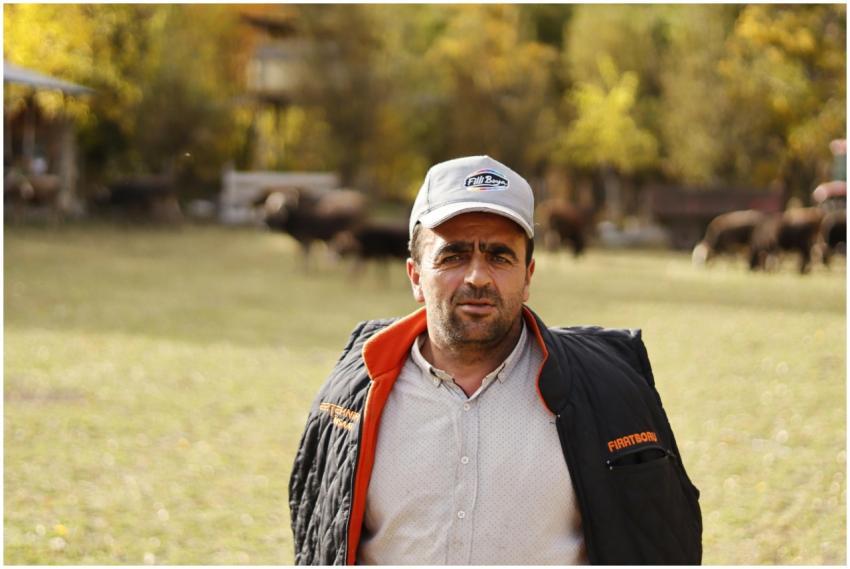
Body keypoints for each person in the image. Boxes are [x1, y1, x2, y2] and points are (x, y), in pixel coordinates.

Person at [289, 155, 702, 565]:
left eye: (500, 256)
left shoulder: (605, 395)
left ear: (528, 277)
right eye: (453, 256)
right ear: (415, 276)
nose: (477, 277)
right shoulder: (352, 398)